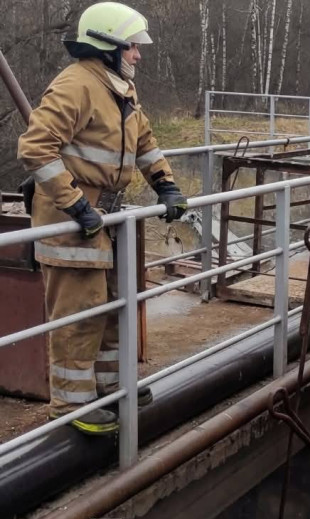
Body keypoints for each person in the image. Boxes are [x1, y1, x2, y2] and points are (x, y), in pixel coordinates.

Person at [18, 2, 187, 435]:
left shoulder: (118, 88)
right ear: (108, 46)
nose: (138, 55)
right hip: (71, 220)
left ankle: (111, 388)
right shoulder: (76, 85)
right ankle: (72, 407)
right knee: (80, 312)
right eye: (132, 46)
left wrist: (165, 184)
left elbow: (144, 140)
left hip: (103, 219)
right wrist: (75, 205)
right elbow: (35, 148)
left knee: (111, 306)